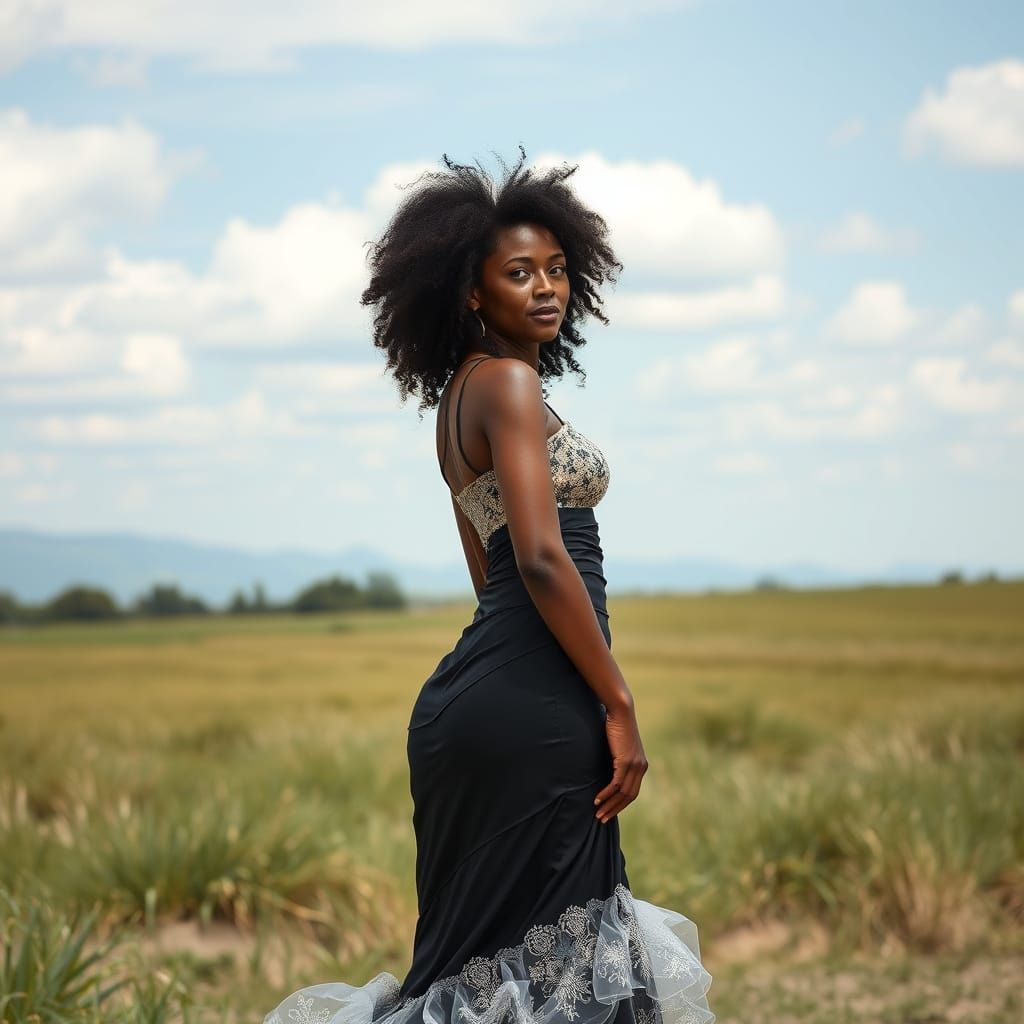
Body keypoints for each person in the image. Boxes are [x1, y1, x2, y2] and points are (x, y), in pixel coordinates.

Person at [263, 148, 714, 1024]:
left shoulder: (456, 400)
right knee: (570, 966)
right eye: (518, 273)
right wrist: (616, 703)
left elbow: (489, 570)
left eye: (556, 270)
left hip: (470, 706)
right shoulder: (508, 383)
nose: (546, 288)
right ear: (472, 292)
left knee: (473, 966)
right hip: (535, 707)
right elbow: (540, 559)